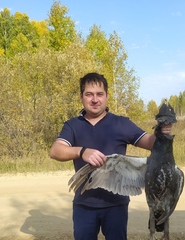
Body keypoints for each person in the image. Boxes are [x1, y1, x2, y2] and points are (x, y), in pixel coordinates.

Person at [49, 72, 172, 240]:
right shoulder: (73, 125)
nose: (94, 99)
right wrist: (82, 151)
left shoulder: (121, 123)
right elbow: (55, 151)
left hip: (116, 204)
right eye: (89, 94)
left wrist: (162, 132)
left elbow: (151, 143)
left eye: (100, 94)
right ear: (81, 97)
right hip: (84, 204)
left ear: (107, 96)